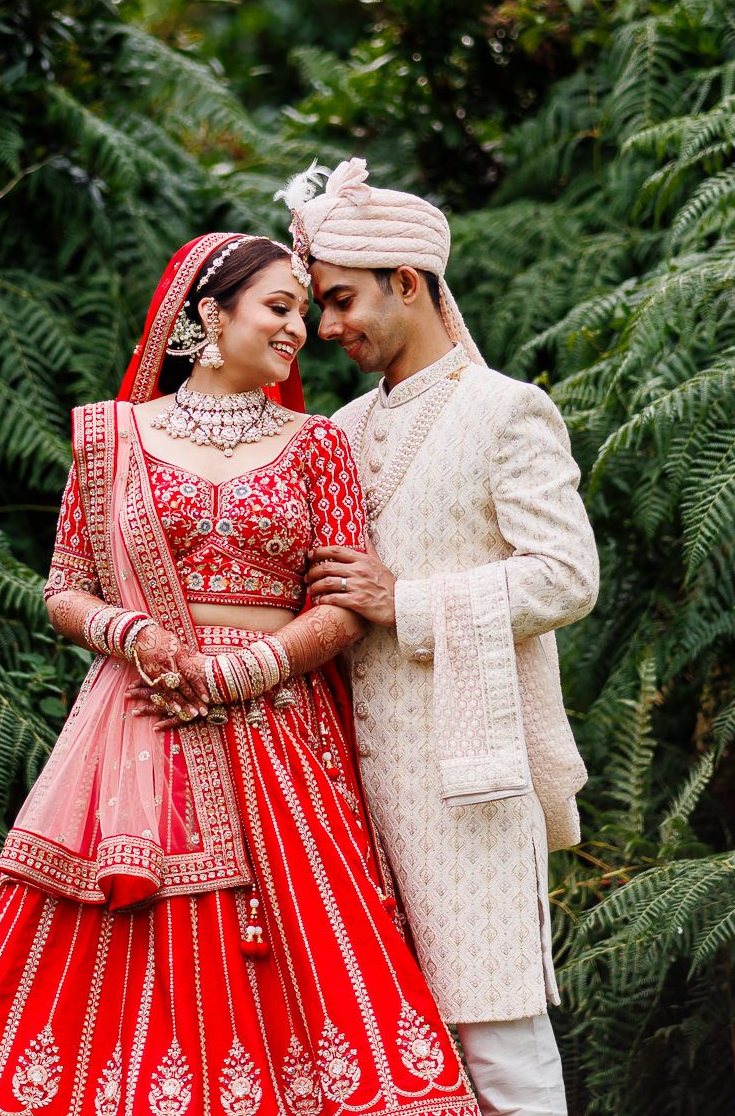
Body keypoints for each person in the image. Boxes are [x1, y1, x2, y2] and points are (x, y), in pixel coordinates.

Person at [0, 232, 479, 1116]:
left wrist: (246, 668)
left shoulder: (319, 447)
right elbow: (63, 588)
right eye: (278, 307)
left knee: (308, 961)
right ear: (208, 313)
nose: (299, 331)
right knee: (106, 957)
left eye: (306, 313)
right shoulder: (112, 437)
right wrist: (134, 634)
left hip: (278, 734)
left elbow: (344, 607)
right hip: (137, 722)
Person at [287, 160, 600, 1116]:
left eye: (341, 301)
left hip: (470, 784)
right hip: (347, 791)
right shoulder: (336, 429)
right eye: (318, 305)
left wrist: (406, 601)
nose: (327, 327)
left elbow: (567, 576)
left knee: (499, 1041)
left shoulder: (505, 409)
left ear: (409, 283)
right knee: (389, 1057)